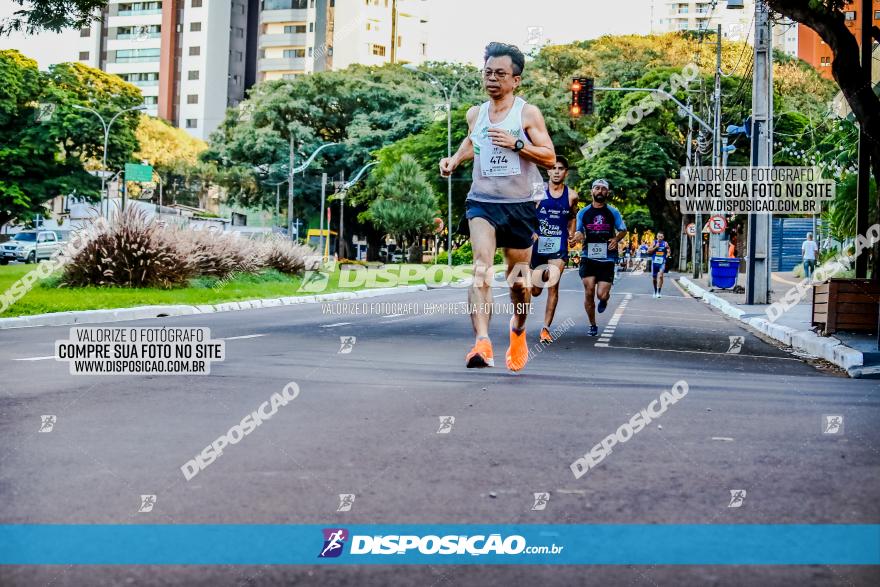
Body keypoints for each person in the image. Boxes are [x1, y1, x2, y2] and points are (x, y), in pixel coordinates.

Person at [439, 42, 556, 371]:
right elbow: (472, 141)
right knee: (481, 269)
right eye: (488, 72)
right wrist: (455, 160)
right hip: (483, 201)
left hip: (520, 205)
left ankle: (517, 332)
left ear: (515, 80)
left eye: (500, 74)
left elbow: (549, 156)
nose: (492, 79)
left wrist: (518, 144)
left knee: (519, 283)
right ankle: (482, 344)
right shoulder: (474, 113)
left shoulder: (527, 113)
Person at [530, 156, 579, 343]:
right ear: (548, 171)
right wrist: (532, 232)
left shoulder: (572, 195)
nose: (557, 171)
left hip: (558, 244)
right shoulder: (538, 190)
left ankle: (545, 329)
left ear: (566, 172)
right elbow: (528, 213)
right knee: (535, 290)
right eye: (553, 168)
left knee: (553, 283)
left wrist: (572, 234)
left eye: (561, 168)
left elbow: (572, 216)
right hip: (538, 244)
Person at [571, 179, 627, 336]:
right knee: (589, 291)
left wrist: (616, 239)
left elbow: (622, 229)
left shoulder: (613, 212)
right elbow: (579, 231)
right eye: (597, 188)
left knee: (601, 294)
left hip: (607, 257)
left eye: (603, 189)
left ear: (607, 193)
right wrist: (577, 236)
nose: (600, 191)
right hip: (588, 256)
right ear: (592, 192)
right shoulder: (583, 212)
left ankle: (604, 299)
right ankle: (592, 324)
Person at [646, 231, 672, 298]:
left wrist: (668, 254)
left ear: (663, 237)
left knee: (660, 276)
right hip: (654, 262)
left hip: (662, 262)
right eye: (659, 236)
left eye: (661, 236)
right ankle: (655, 291)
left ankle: (658, 292)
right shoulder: (654, 242)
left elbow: (668, 249)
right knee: (654, 278)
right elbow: (648, 251)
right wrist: (655, 247)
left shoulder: (665, 243)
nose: (660, 238)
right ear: (657, 237)